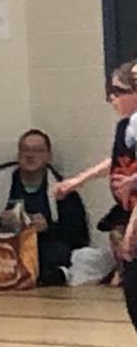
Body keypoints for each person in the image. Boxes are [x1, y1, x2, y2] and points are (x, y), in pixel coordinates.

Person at [0, 129, 89, 286]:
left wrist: (48, 227)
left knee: (60, 252)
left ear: (48, 156)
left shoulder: (63, 189)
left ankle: (19, 276)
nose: (30, 155)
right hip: (4, 246)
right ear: (18, 155)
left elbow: (79, 234)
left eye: (37, 151)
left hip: (42, 246)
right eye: (25, 150)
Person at [57, 63, 137, 311]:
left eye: (118, 91)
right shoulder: (125, 127)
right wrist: (78, 180)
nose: (112, 98)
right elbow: (115, 160)